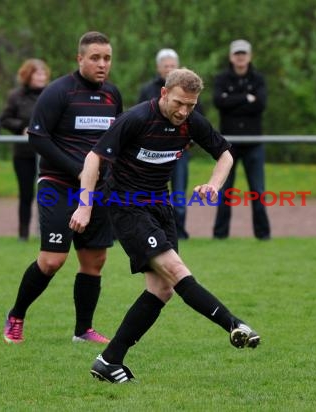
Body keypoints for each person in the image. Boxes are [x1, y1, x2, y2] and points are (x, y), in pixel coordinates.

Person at [69, 68, 260, 383]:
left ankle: (108, 361)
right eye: (179, 103)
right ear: (163, 94)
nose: (184, 111)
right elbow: (93, 159)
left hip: (161, 207)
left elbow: (225, 154)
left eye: (191, 105)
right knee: (176, 269)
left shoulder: (189, 122)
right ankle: (234, 325)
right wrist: (85, 205)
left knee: (161, 289)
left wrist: (213, 184)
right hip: (127, 206)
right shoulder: (136, 119)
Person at [2, 31, 123, 345]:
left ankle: (83, 330)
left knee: (94, 261)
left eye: (107, 58)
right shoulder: (58, 92)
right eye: (95, 57)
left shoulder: (112, 95)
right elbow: (37, 137)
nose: (102, 64)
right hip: (59, 186)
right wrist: (79, 170)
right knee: (53, 260)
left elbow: (117, 140)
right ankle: (16, 315)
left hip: (99, 190)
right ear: (79, 58)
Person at [138, 48, 204, 240]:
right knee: (150, 193)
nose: (168, 69)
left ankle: (179, 231)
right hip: (152, 153)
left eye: (172, 66)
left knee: (179, 193)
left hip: (179, 153)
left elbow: (198, 121)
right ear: (159, 68)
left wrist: (187, 143)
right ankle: (152, 230)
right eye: (165, 66)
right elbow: (140, 117)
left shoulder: (189, 92)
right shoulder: (148, 90)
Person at [212, 39, 271, 240]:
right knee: (224, 190)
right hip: (228, 146)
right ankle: (220, 235)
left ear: (249, 56)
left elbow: (260, 104)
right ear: (231, 56)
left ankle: (263, 235)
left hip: (253, 144)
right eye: (237, 54)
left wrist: (233, 100)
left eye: (243, 54)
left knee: (257, 190)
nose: (240, 57)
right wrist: (246, 98)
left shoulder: (258, 79)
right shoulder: (222, 79)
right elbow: (220, 102)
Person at [0, 59, 51, 241]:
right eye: (37, 73)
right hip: (24, 153)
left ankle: (48, 232)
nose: (41, 77)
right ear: (28, 75)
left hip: (48, 154)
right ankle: (23, 234)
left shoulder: (52, 94)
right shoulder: (16, 96)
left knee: (48, 193)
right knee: (26, 194)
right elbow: (4, 119)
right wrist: (22, 126)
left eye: (43, 73)